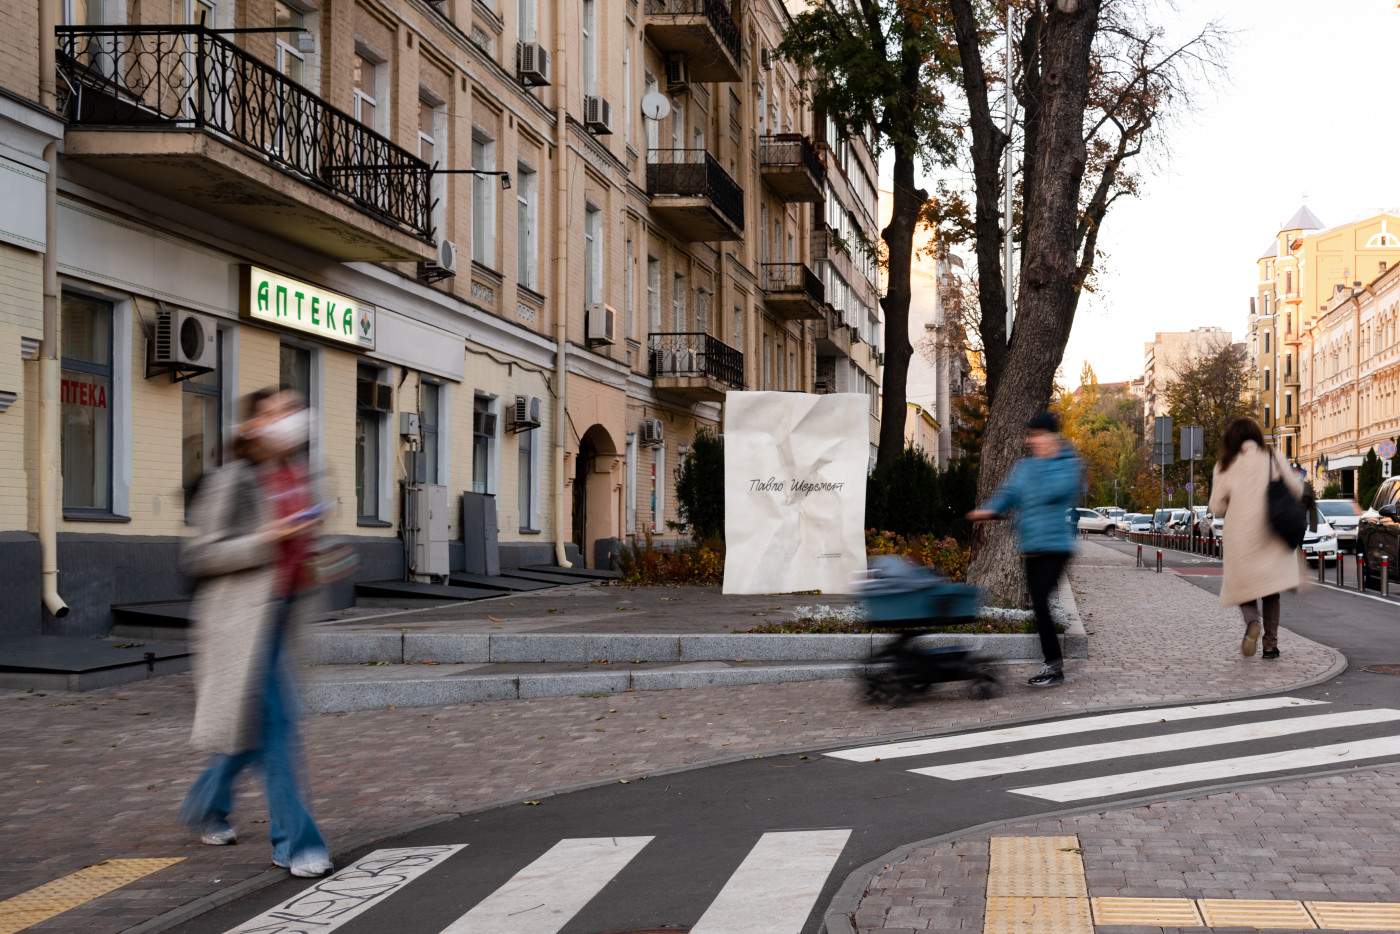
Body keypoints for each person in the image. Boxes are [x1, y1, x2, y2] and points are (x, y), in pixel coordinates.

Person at [178, 388, 333, 878]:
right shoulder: (234, 478)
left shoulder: (302, 473)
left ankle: (205, 805)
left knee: (251, 730)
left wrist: (316, 555)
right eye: (275, 412)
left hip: (283, 612)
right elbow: (200, 554)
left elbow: (301, 542)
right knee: (278, 726)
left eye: (293, 408)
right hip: (240, 623)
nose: (288, 418)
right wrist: (269, 539)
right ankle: (296, 843)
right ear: (252, 426)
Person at [966, 411, 1085, 687]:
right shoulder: (1023, 467)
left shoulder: (1066, 464)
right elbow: (1008, 493)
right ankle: (1053, 664)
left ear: (1052, 437)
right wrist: (985, 511)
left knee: (1041, 601)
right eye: (1031, 436)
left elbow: (1058, 491)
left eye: (1038, 436)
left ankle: (1054, 667)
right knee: (1039, 607)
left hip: (1056, 546)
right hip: (1031, 547)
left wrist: (1046, 460)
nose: (1033, 441)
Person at [1208, 417, 1303, 661]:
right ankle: (1270, 645)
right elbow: (1296, 488)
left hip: (1241, 538)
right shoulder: (1272, 456)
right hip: (1273, 533)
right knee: (1271, 592)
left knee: (1244, 590)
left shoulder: (1225, 464)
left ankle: (1252, 622)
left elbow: (1217, 506)